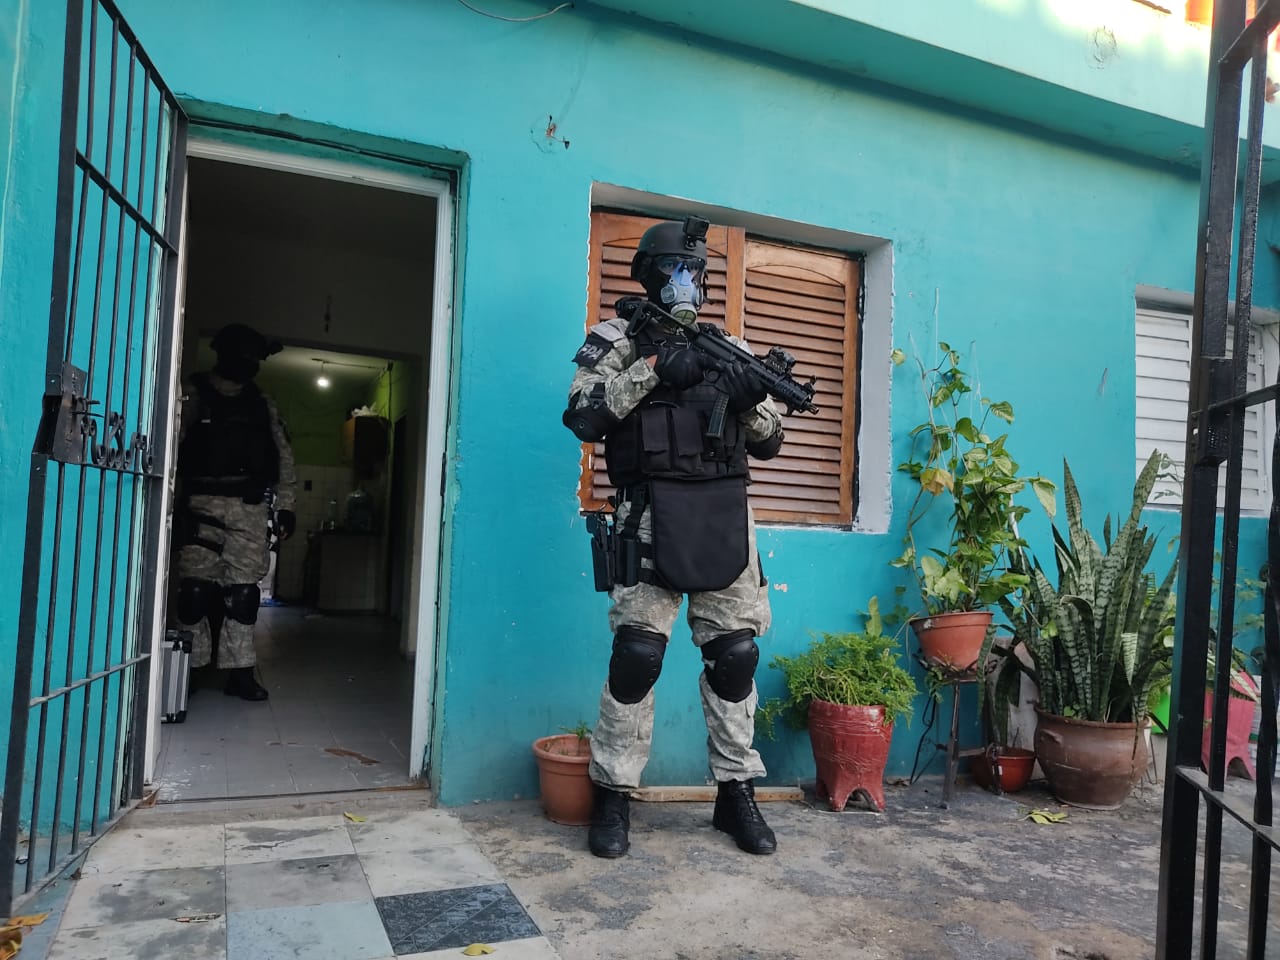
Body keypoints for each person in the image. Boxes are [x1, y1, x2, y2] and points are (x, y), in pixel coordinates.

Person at [562, 218, 786, 858]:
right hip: (646, 517)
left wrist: (746, 398)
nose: (685, 280)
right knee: (637, 656)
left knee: (736, 655)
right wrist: (655, 368)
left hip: (723, 517)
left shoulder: (727, 345)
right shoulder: (615, 340)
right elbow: (584, 415)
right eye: (672, 268)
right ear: (646, 275)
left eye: (695, 270)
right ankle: (613, 794)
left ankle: (735, 793)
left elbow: (770, 440)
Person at [174, 323, 297, 702]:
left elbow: (283, 457)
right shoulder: (193, 394)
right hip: (201, 506)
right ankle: (188, 669)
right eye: (246, 358)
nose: (251, 366)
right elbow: (171, 447)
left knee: (243, 596)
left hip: (248, 508)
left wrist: (286, 505)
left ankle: (240, 672)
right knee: (194, 592)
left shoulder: (263, 404)